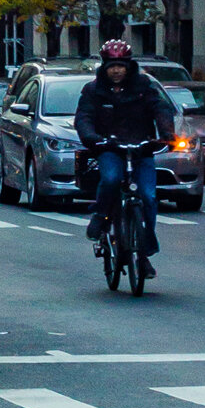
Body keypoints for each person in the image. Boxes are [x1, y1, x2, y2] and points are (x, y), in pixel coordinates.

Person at [74, 40, 176, 279]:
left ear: (129, 66)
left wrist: (167, 133)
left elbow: (160, 109)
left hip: (141, 148)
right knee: (111, 178)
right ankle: (100, 216)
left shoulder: (144, 86)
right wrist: (92, 137)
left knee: (149, 197)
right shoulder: (93, 90)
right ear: (104, 67)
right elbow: (84, 118)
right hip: (110, 147)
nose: (117, 70)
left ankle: (144, 251)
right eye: (112, 66)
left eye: (121, 65)